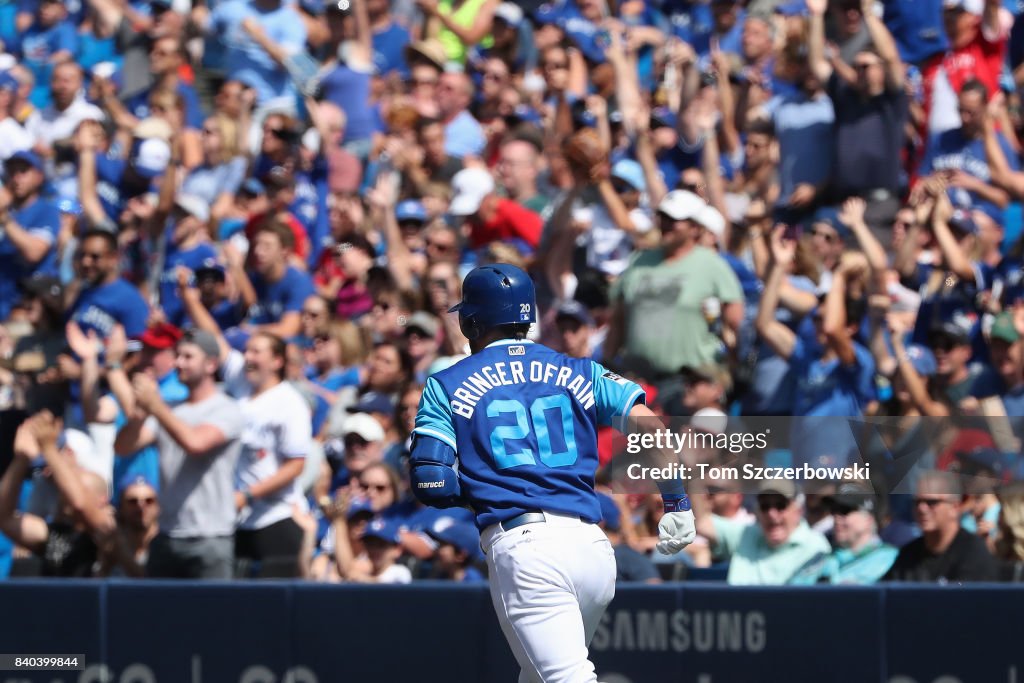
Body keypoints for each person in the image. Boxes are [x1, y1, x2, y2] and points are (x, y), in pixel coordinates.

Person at [410, 263, 695, 683]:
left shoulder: (446, 383)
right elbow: (648, 424)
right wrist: (677, 500)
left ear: (471, 322)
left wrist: (483, 487)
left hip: (527, 547)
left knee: (567, 679)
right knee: (537, 677)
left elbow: (432, 480)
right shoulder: (582, 369)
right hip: (592, 548)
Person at [113, 329, 243, 579]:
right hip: (167, 535)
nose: (178, 363)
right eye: (177, 356)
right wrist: (139, 415)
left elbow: (195, 443)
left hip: (210, 538)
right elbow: (123, 447)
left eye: (188, 357)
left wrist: (156, 407)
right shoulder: (171, 410)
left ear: (211, 364)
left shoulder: (226, 408)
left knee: (213, 616)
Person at [694, 479, 832, 585]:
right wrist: (692, 470)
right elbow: (701, 522)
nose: (772, 513)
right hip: (741, 618)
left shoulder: (815, 546)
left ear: (798, 511)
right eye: (765, 506)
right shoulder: (745, 535)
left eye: (780, 505)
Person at [884, 471, 1000, 582]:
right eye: (917, 502)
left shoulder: (973, 553)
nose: (922, 508)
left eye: (931, 502)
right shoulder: (908, 555)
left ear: (954, 507)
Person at [789, 483, 899, 584]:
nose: (836, 517)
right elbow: (794, 588)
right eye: (834, 510)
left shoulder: (890, 558)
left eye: (844, 510)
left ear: (868, 520)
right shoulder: (824, 558)